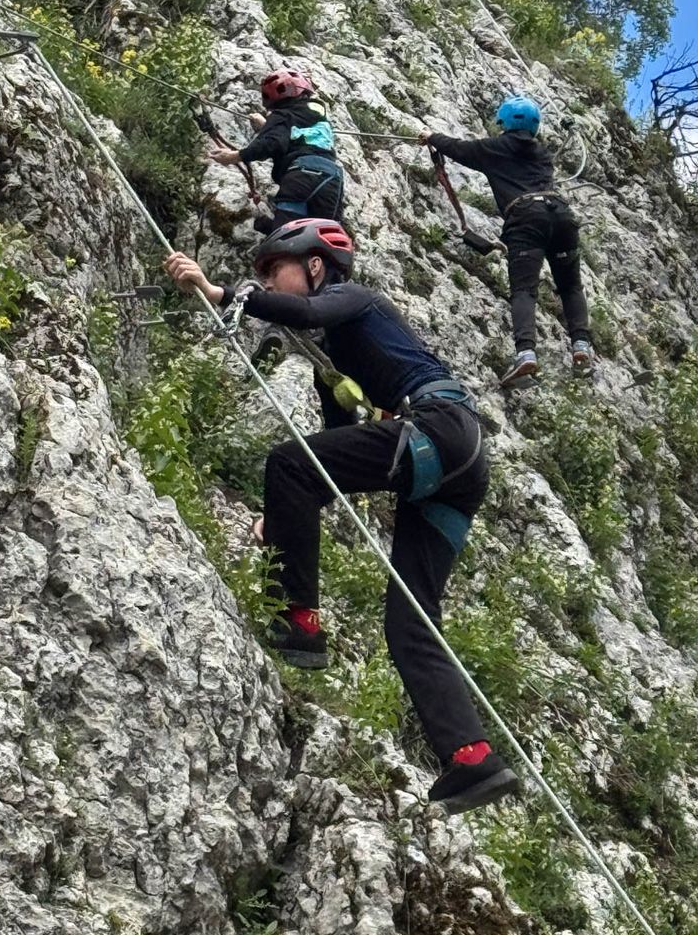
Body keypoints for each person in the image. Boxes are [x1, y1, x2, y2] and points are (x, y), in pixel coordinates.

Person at [162, 218, 519, 816]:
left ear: (316, 265)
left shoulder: (355, 300)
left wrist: (224, 292)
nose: (268, 282)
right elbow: (334, 455)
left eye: (274, 271)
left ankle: (300, 623)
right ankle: (473, 759)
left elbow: (297, 316)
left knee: (286, 462)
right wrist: (283, 519)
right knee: (410, 622)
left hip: (437, 428)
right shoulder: (339, 359)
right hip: (456, 465)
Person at [422, 96, 593, 387]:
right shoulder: (541, 153)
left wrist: (431, 137)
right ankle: (581, 347)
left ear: (504, 122)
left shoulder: (495, 148)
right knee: (571, 286)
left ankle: (526, 353)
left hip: (526, 218)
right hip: (561, 216)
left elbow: (458, 149)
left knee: (524, 291)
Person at [210, 69, 344, 235]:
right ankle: (277, 229)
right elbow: (296, 135)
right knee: (323, 236)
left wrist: (234, 156)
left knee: (286, 237)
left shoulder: (282, 115)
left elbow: (273, 143)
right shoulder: (317, 115)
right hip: (332, 178)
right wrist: (267, 125)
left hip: (302, 176)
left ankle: (278, 230)